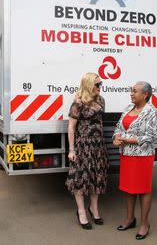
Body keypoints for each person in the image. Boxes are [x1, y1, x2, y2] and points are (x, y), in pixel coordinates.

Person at [113, 81, 157, 240]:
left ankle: (144, 224)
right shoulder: (128, 109)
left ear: (145, 94)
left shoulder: (152, 112)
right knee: (128, 188)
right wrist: (116, 138)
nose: (131, 94)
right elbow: (118, 128)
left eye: (134, 91)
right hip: (127, 155)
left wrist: (126, 139)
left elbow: (151, 137)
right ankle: (130, 219)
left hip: (143, 156)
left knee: (143, 189)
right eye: (131, 91)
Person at [65, 73, 108, 230]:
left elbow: (100, 122)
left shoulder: (101, 100)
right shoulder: (78, 103)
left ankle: (94, 209)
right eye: (97, 84)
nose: (99, 87)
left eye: (100, 84)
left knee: (97, 178)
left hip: (98, 145)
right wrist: (71, 149)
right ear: (89, 85)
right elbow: (71, 127)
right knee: (80, 179)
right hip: (83, 145)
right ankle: (81, 212)